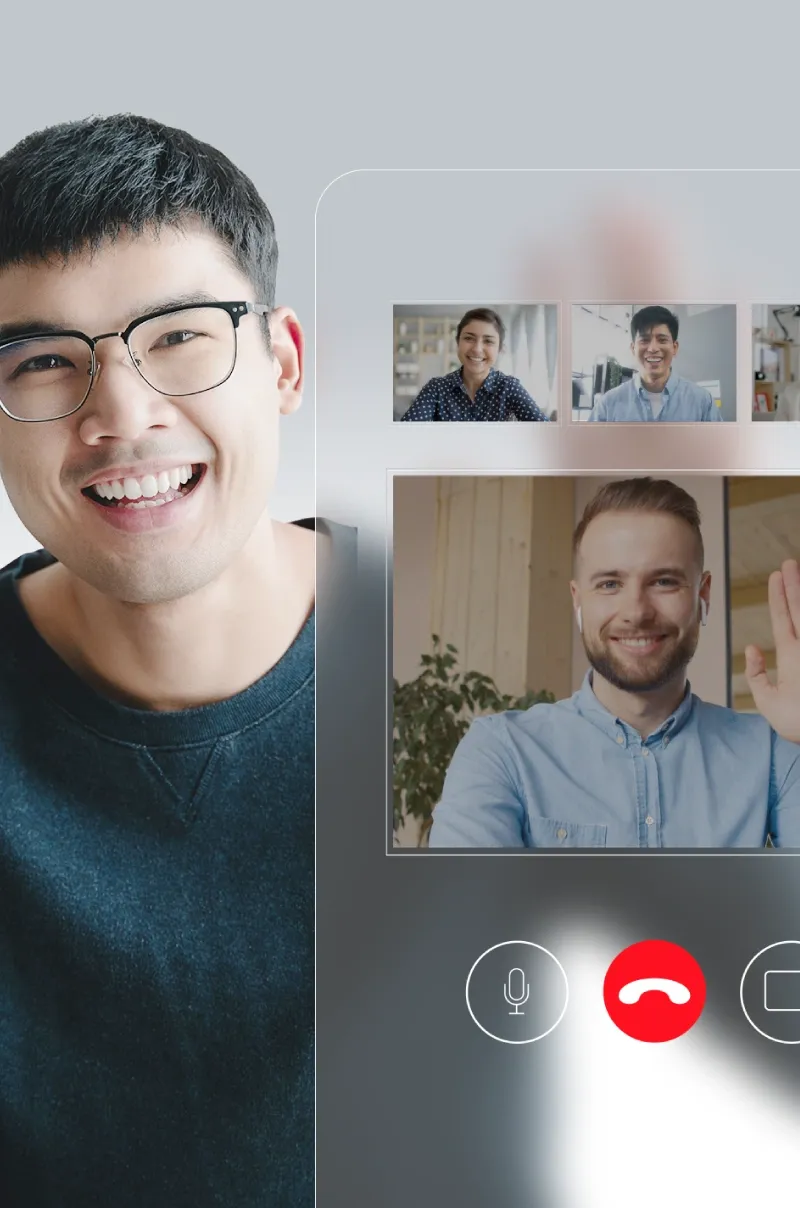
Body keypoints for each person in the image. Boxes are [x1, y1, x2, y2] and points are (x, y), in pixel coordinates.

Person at [0, 114, 320, 1205]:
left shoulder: (495, 666)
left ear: (281, 361)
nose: (120, 415)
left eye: (179, 334)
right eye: (44, 361)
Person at [429, 477, 800, 848]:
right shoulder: (501, 751)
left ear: (702, 595)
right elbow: (468, 902)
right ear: (578, 601)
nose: (636, 612)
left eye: (664, 581)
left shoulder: (774, 750)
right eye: (609, 584)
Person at [399, 307, 550, 421]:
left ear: (500, 349)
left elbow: (545, 433)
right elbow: (406, 434)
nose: (477, 349)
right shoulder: (436, 388)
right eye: (469, 338)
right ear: (458, 342)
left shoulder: (508, 387)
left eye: (488, 341)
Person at [589, 305, 722, 422]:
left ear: (674, 348)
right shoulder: (608, 404)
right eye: (644, 340)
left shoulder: (702, 401)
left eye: (662, 340)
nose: (653, 348)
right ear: (633, 348)